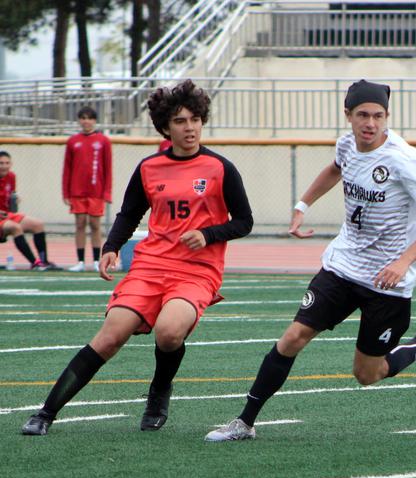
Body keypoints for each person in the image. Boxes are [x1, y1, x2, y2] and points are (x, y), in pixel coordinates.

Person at [205, 79, 416, 442]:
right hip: (342, 265)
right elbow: (335, 168)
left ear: (387, 117)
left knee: (366, 374)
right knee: (292, 337)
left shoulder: (405, 161)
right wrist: (302, 205)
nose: (370, 123)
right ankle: (244, 422)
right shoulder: (347, 144)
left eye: (378, 116)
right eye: (363, 115)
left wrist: (402, 262)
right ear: (348, 116)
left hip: (387, 281)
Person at [22, 79, 254, 435]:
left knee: (169, 332)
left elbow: (244, 222)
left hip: (196, 271)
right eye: (180, 121)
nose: (189, 127)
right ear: (165, 127)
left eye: (194, 119)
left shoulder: (220, 168)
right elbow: (129, 214)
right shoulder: (149, 168)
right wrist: (111, 247)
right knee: (110, 337)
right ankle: (46, 413)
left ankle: (160, 391)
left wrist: (208, 234)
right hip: (150, 265)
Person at [62, 106, 113, 272]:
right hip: (77, 191)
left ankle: (97, 261)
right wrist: (66, 192)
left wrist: (107, 192)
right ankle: (80, 261)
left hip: (96, 191)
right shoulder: (73, 141)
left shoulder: (103, 141)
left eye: (90, 118)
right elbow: (67, 169)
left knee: (95, 225)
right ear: (79, 120)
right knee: (80, 224)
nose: (86, 121)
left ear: (95, 120)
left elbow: (108, 168)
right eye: (83, 118)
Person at [0, 151, 59, 270]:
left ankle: (44, 261)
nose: (4, 166)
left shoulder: (11, 176)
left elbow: (10, 199)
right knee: (15, 227)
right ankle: (35, 263)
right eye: (1, 163)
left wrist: (14, 201)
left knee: (37, 224)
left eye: (7, 163)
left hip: (7, 215)